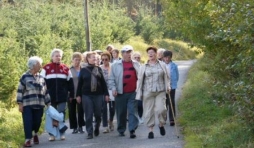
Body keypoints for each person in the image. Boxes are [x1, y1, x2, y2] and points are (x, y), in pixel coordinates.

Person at [136, 46, 170, 139]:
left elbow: (167, 77)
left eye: (152, 52)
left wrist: (168, 86)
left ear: (156, 53)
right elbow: (139, 80)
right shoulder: (143, 67)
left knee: (161, 109)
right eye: (149, 52)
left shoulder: (162, 65)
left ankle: (161, 124)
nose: (150, 54)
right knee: (148, 111)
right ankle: (150, 130)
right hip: (148, 91)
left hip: (160, 90)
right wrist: (139, 91)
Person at [40, 48, 74, 141]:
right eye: (56, 55)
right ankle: (52, 134)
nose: (58, 57)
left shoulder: (65, 68)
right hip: (49, 96)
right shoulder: (46, 68)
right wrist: (42, 94)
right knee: (52, 115)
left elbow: (70, 83)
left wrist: (71, 95)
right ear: (52, 57)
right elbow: (41, 82)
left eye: (59, 56)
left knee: (60, 113)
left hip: (63, 96)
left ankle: (62, 132)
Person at [17, 56, 51, 147]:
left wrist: (49, 104)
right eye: (39, 64)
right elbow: (20, 90)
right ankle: (28, 139)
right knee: (27, 121)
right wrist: (20, 104)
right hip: (27, 104)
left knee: (37, 122)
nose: (41, 66)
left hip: (39, 104)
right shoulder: (25, 76)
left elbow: (45, 91)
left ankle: (35, 133)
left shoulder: (41, 77)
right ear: (33, 65)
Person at [108, 45, 140, 139]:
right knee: (121, 112)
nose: (129, 54)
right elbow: (111, 79)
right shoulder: (115, 65)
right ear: (122, 54)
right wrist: (113, 88)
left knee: (132, 111)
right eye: (126, 52)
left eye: (130, 52)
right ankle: (121, 129)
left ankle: (132, 130)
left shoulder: (136, 64)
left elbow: (141, 77)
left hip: (133, 92)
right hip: (120, 92)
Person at [76, 51, 109, 139]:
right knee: (89, 114)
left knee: (98, 114)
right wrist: (78, 95)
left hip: (98, 95)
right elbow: (79, 84)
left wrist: (106, 94)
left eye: (95, 57)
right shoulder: (83, 70)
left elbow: (103, 83)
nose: (94, 59)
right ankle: (89, 132)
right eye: (92, 57)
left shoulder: (99, 69)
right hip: (86, 95)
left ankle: (97, 126)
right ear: (88, 59)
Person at [68, 52, 86, 134]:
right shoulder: (69, 70)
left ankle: (81, 126)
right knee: (72, 111)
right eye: (76, 60)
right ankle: (74, 127)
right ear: (72, 60)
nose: (77, 62)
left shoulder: (83, 69)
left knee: (81, 110)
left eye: (79, 60)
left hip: (81, 94)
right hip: (71, 93)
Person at [100, 52, 115, 133]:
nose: (104, 61)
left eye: (106, 59)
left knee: (112, 108)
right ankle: (105, 126)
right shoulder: (99, 68)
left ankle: (111, 120)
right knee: (104, 108)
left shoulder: (113, 67)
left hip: (112, 89)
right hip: (103, 90)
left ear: (109, 59)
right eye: (102, 59)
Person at [163, 50, 179, 126]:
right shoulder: (161, 65)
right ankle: (163, 118)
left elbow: (177, 76)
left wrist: (173, 84)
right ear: (163, 58)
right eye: (165, 57)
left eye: (168, 57)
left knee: (171, 102)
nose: (167, 59)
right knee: (164, 103)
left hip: (172, 86)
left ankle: (172, 119)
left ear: (170, 58)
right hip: (163, 87)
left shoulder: (174, 65)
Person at [131, 51, 143, 124]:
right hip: (131, 88)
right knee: (133, 105)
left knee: (140, 104)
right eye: (135, 57)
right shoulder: (130, 66)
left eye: (138, 58)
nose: (137, 59)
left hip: (139, 88)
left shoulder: (142, 66)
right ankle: (134, 118)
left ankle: (140, 117)